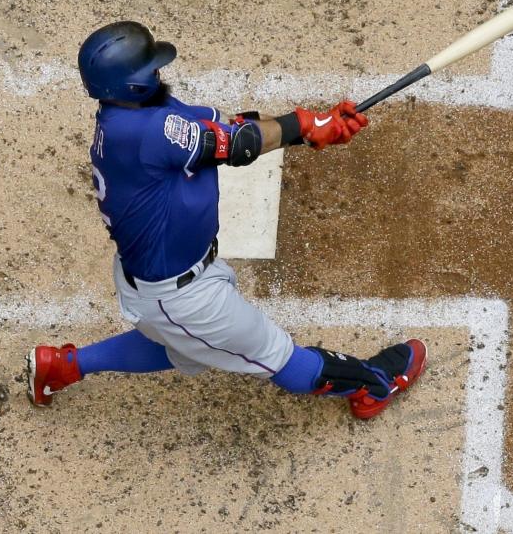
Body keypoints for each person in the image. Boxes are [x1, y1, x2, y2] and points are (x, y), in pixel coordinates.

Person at [26, 21, 426, 420]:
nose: (159, 73)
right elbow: (237, 145)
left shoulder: (144, 112)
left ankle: (64, 366)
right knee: (279, 356)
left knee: (182, 346)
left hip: (170, 280)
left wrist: (312, 127)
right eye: (151, 69)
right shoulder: (143, 132)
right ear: (131, 85)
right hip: (181, 297)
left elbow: (233, 126)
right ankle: (372, 384)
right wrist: (302, 124)